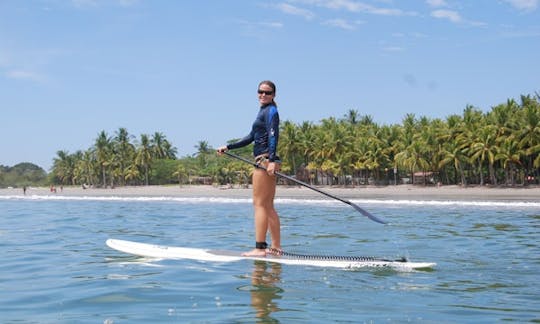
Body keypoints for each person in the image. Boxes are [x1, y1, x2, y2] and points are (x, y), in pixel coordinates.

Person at [217, 80, 281, 257]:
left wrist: (272, 160)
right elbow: (251, 137)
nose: (263, 95)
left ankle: (260, 248)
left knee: (259, 204)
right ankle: (276, 247)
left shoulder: (271, 111)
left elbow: (273, 135)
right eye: (260, 92)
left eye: (267, 93)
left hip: (264, 160)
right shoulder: (263, 111)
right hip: (267, 160)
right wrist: (229, 147)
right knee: (268, 205)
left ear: (274, 95)